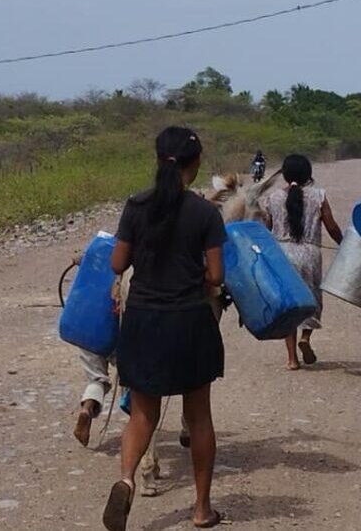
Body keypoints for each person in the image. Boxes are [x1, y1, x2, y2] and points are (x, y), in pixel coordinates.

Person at [102, 126, 227, 531]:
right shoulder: (205, 213)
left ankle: (126, 480)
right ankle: (201, 509)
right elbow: (216, 275)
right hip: (189, 320)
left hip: (143, 320)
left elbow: (117, 264)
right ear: (196, 163)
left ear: (158, 160)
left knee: (142, 415)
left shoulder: (137, 206)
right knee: (199, 416)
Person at [263, 154, 344, 370]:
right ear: (308, 175)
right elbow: (332, 227)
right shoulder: (319, 196)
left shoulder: (273, 198)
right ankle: (305, 338)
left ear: (285, 175)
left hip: (282, 255)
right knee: (311, 298)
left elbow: (265, 229)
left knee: (288, 304)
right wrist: (343, 244)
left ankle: (292, 359)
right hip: (309, 254)